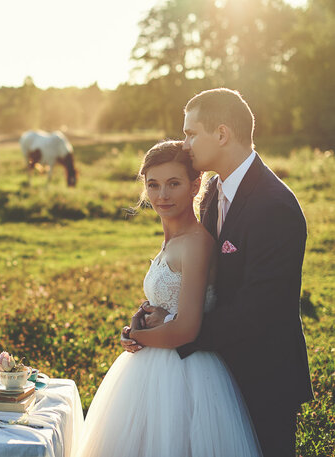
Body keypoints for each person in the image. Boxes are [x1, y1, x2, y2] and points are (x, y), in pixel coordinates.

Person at [123, 88, 313, 456]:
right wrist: (157, 315)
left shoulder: (274, 207)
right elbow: (203, 278)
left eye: (191, 132)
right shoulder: (212, 189)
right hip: (216, 370)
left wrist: (178, 330)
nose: (185, 142)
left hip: (262, 375)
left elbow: (261, 311)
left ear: (222, 134)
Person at [79, 140, 262, 457]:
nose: (162, 195)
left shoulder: (194, 243)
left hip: (185, 372)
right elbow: (166, 306)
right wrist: (137, 326)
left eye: (173, 184)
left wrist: (136, 336)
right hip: (151, 364)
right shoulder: (172, 239)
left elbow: (188, 329)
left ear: (195, 185)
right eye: (154, 185)